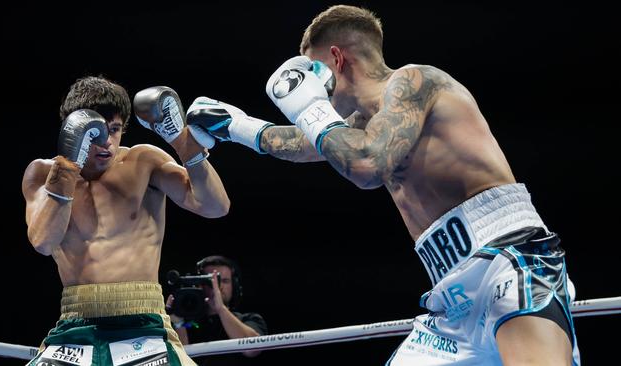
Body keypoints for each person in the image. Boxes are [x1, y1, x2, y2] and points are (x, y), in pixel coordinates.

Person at [184, 5, 579, 365]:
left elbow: (367, 164)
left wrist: (309, 106)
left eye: (311, 69)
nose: (309, 86)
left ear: (336, 59)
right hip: (451, 293)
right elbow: (303, 144)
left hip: (510, 258)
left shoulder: (415, 82)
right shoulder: (363, 126)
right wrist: (234, 125)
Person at [21, 76, 230, 366]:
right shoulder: (44, 173)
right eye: (94, 133)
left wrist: (184, 143)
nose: (106, 142)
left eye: (114, 130)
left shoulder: (144, 161)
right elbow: (43, 242)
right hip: (75, 328)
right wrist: (67, 168)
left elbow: (215, 207)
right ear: (72, 129)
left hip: (145, 323)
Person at [166, 255, 268, 365]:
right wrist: (179, 323)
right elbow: (181, 362)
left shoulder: (250, 319)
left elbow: (252, 350)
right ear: (200, 285)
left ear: (234, 285)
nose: (218, 287)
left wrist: (221, 309)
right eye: (210, 281)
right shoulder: (188, 325)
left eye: (224, 281)